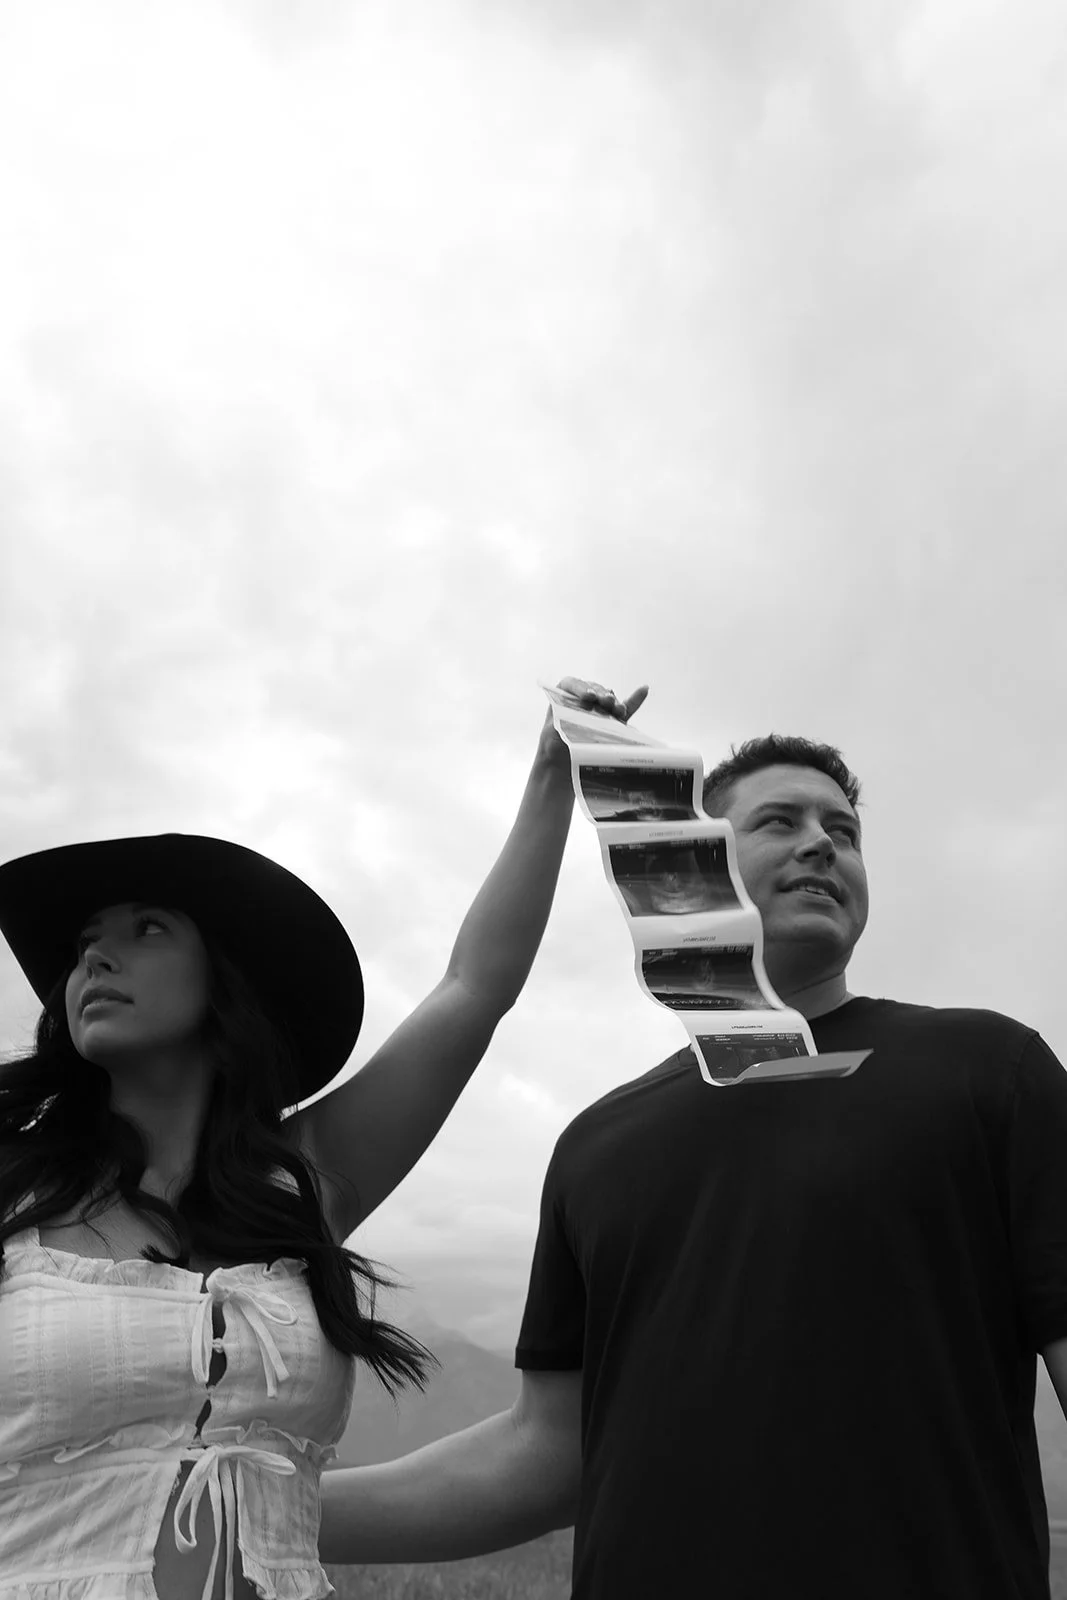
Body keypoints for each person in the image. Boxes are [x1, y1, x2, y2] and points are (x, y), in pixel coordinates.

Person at [318, 733, 1067, 1600]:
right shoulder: (597, 1144)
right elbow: (547, 1452)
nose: (822, 843)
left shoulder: (986, 1069)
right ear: (689, 870)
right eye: (778, 822)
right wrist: (252, 1504)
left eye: (844, 830)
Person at [0, 674, 647, 1600]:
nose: (94, 957)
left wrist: (551, 778)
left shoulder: (300, 1183)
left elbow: (474, 987)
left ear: (222, 984)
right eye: (83, 945)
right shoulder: (15, 1197)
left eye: (145, 930)